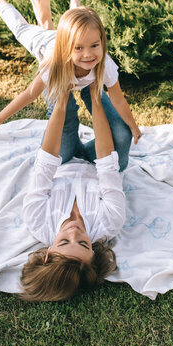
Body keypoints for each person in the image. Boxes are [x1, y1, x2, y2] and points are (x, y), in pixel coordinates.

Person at [0, 0, 141, 171]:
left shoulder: (103, 63)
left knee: (121, 142)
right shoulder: (53, 64)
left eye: (94, 45)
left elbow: (118, 100)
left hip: (88, 79)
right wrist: (0, 116)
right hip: (57, 70)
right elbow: (30, 93)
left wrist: (133, 127)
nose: (88, 54)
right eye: (79, 48)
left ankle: (75, 11)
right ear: (66, 47)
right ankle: (21, 9)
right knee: (63, 154)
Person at [19, 62, 125, 301]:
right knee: (121, 135)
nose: (75, 232)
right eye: (84, 244)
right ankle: (90, 86)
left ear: (48, 254)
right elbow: (107, 163)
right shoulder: (110, 223)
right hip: (97, 163)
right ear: (93, 255)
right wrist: (97, 94)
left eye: (64, 241)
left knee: (63, 113)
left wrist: (63, 97)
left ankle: (64, 73)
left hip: (62, 160)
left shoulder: (36, 220)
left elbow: (46, 162)